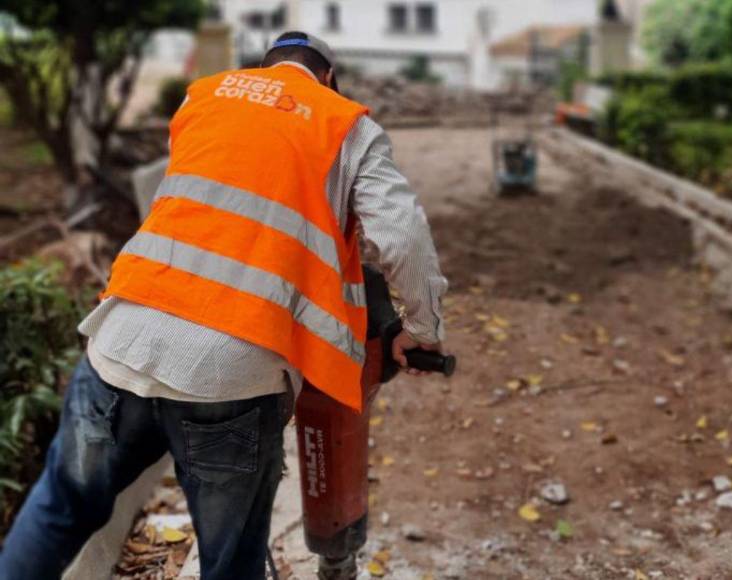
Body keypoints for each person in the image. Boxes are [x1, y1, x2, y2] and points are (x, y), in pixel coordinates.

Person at [0, 31, 446, 580]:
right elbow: (400, 236)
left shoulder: (203, 96)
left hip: (120, 341)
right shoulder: (345, 123)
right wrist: (422, 329)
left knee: (57, 510)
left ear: (262, 69)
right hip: (229, 376)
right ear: (328, 78)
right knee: (230, 563)